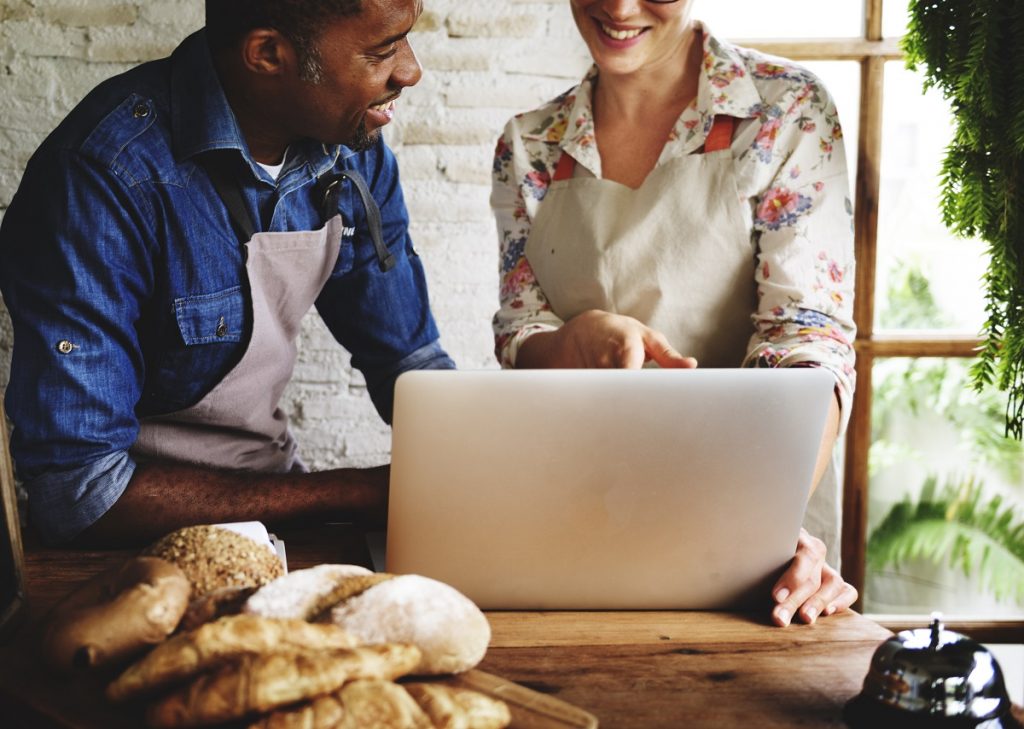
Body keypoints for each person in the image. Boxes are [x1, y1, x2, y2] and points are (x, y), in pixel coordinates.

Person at [0, 0, 454, 548]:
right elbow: (80, 493)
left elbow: (406, 358)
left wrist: (479, 465)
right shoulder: (102, 179)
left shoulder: (352, 154)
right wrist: (365, 494)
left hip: (280, 507)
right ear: (268, 53)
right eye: (382, 50)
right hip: (129, 544)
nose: (410, 70)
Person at [490, 0, 858, 626]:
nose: (619, 7)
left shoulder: (785, 111)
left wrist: (754, 522)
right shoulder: (532, 144)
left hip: (757, 533)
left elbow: (806, 338)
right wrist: (573, 342)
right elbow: (522, 328)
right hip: (582, 513)